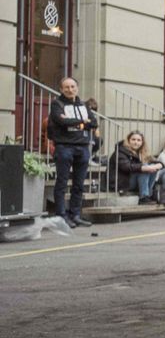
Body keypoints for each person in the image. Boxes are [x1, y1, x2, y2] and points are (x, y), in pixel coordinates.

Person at [48, 76, 97, 229]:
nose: (70, 90)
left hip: (82, 147)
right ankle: (61, 216)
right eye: (67, 87)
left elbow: (94, 123)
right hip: (64, 147)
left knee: (79, 184)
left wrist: (74, 122)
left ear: (77, 88)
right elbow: (61, 121)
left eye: (73, 87)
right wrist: (83, 122)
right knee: (62, 183)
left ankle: (75, 214)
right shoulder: (57, 104)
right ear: (61, 89)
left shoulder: (83, 105)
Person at [113, 130, 165, 205]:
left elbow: (154, 161)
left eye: (138, 140)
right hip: (122, 182)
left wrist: (159, 165)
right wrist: (144, 167)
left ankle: (148, 194)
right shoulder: (120, 152)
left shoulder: (142, 152)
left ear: (142, 142)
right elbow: (126, 167)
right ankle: (143, 197)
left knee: (152, 169)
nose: (136, 142)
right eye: (133, 139)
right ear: (128, 140)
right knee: (145, 169)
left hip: (133, 181)